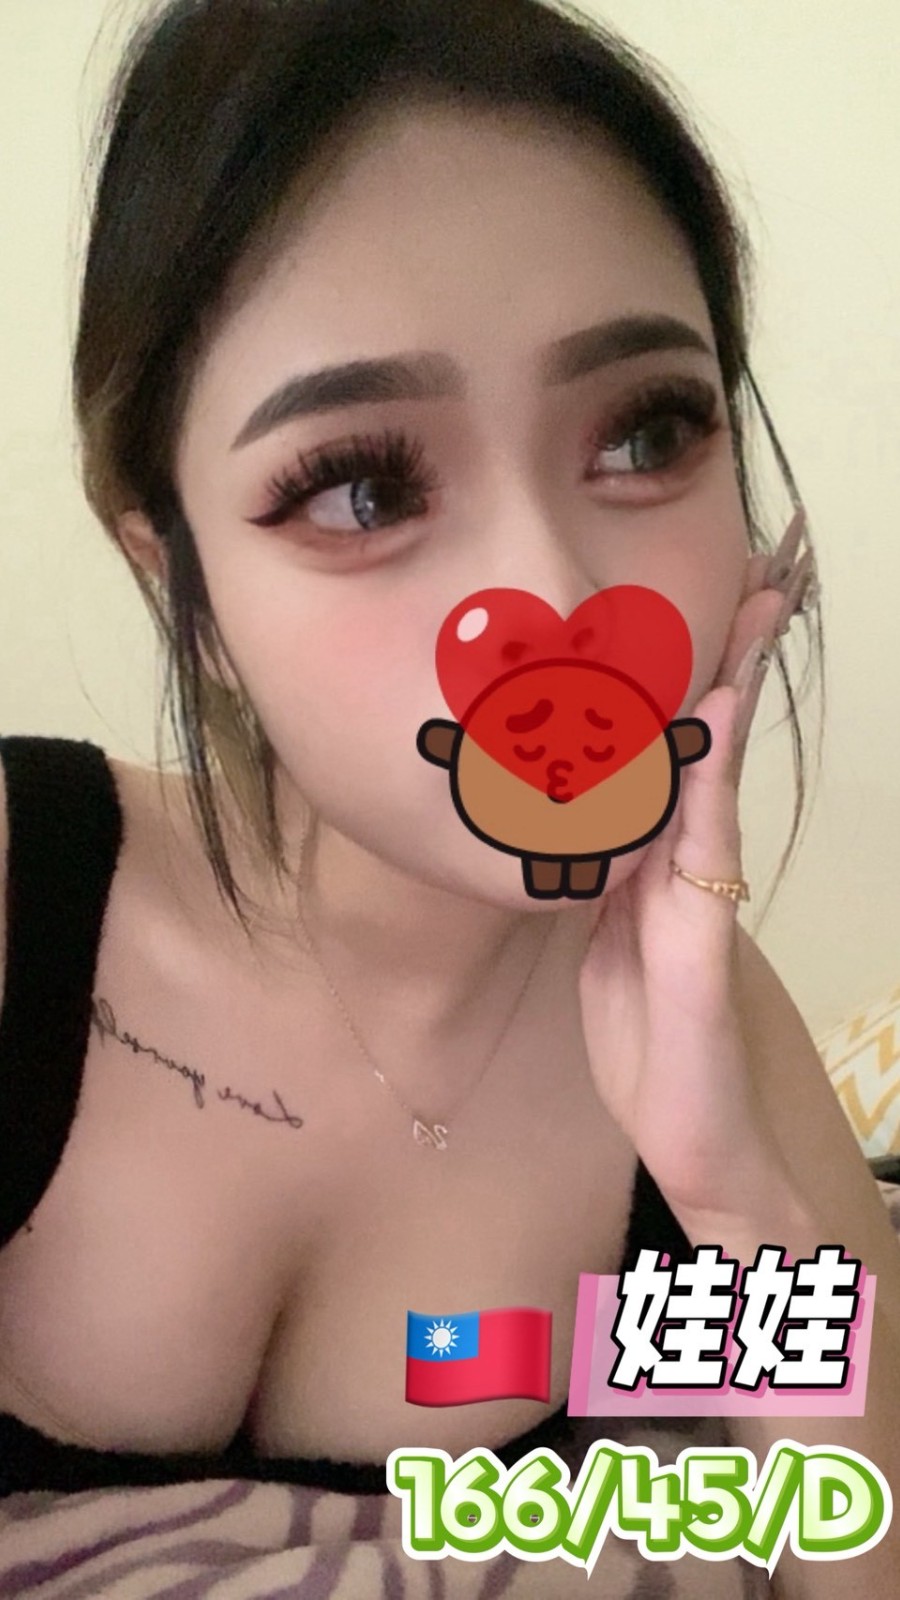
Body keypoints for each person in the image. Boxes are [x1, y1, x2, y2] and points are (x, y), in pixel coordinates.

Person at [0, 1, 897, 1593]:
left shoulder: (712, 1031)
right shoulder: (22, 894)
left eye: (647, 432)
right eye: (364, 488)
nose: (554, 599)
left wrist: (737, 1194)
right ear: (175, 576)